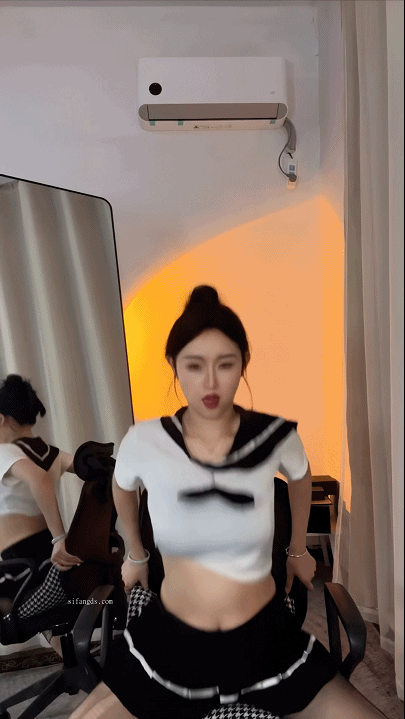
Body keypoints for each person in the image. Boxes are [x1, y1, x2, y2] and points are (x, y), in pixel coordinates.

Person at [69, 287, 387, 719]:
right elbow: (122, 486)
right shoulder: (145, 441)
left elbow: (300, 475)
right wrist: (136, 554)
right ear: (174, 365)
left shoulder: (274, 435)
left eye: (225, 364)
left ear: (243, 363)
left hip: (265, 640)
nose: (211, 382)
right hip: (171, 643)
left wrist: (297, 549)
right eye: (194, 366)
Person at [0, 374, 82, 600]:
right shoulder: (51, 453)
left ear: (1, 419)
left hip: (20, 566)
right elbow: (91, 466)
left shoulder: (5, 451)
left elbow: (39, 478)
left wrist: (60, 538)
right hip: (47, 561)